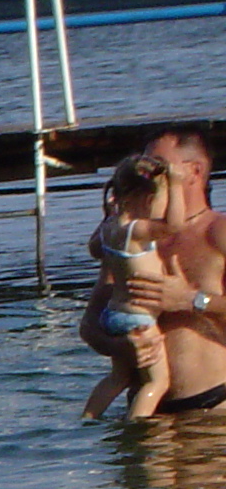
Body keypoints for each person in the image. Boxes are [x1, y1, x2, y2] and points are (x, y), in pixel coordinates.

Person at [82, 128, 226, 416]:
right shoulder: (129, 238)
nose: (145, 173)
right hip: (147, 414)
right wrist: (119, 346)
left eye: (156, 166)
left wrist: (192, 300)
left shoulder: (218, 232)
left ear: (194, 171)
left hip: (213, 409)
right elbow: (89, 327)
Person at [83, 155, 184, 420]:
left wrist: (109, 213)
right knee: (157, 382)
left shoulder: (108, 228)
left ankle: (88, 417)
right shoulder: (136, 230)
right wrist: (174, 185)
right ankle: (136, 428)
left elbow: (94, 250)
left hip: (114, 314)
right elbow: (174, 226)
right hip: (139, 318)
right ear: (144, 199)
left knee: (118, 378)